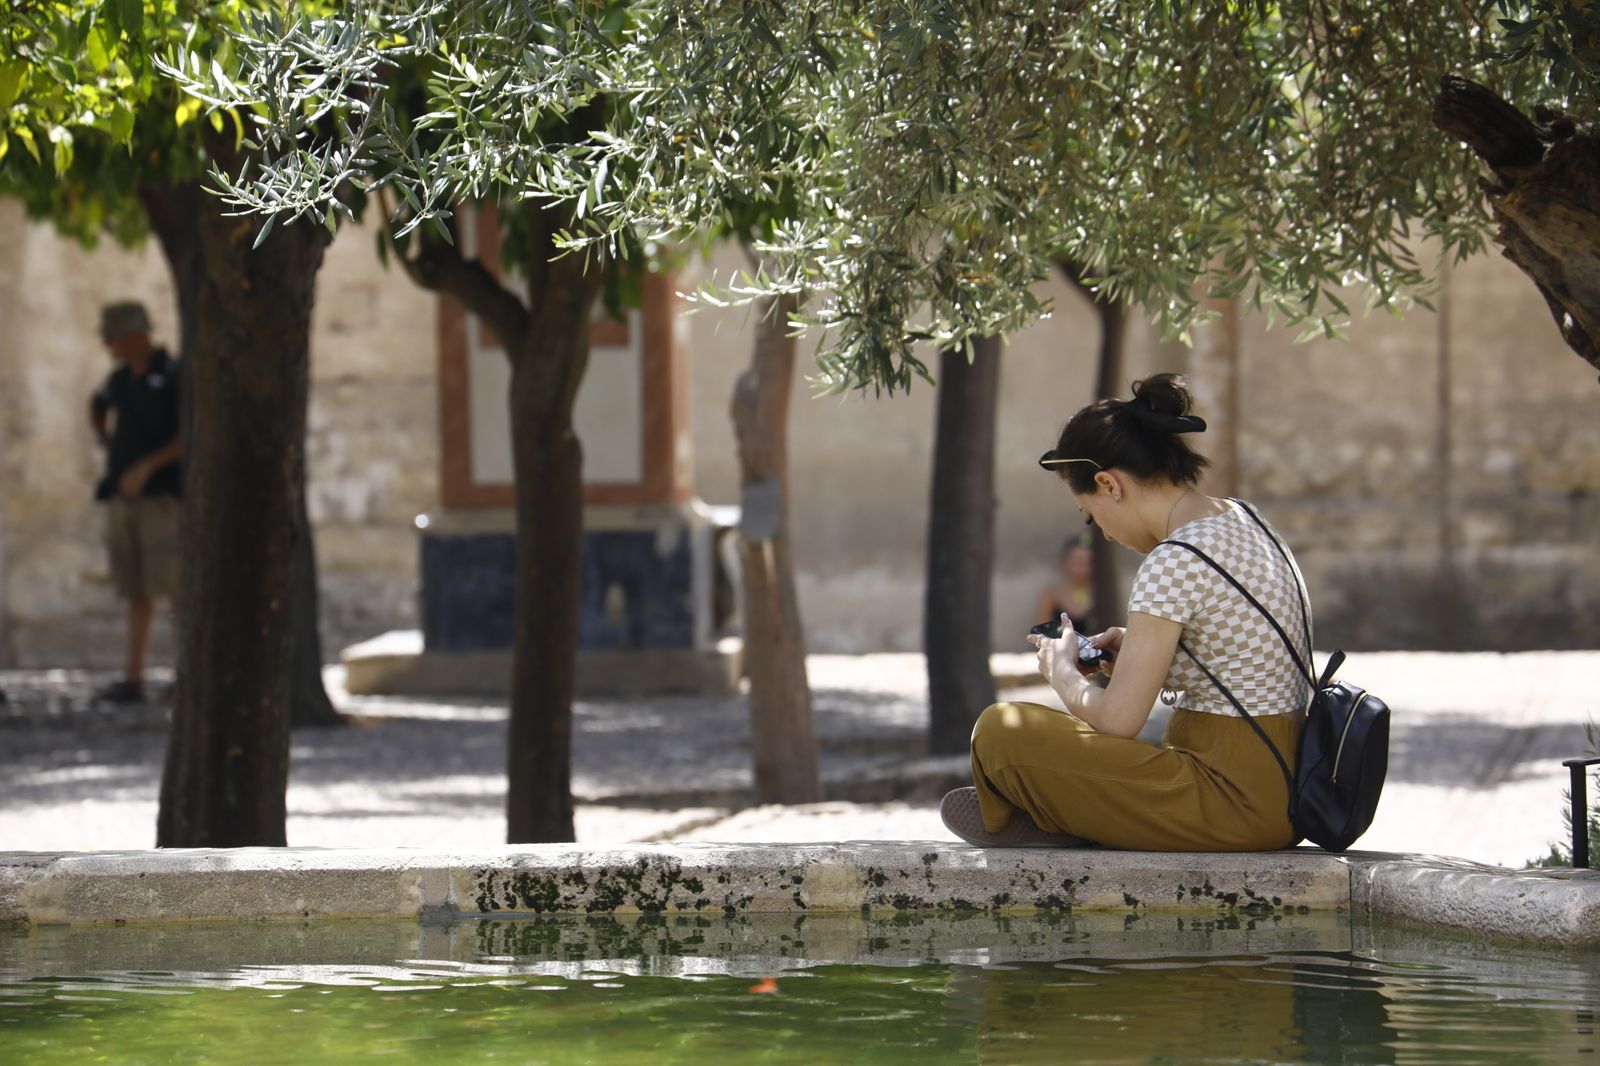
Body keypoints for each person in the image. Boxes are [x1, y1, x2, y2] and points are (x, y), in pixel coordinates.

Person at [940, 373, 1311, 851]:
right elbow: (1243, 658)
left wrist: (1061, 671)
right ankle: (1080, 814)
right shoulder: (1245, 519)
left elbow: (1117, 721)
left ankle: (1059, 816)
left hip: (1230, 803)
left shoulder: (1176, 558)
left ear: (1108, 484)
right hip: (1286, 792)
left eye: (1091, 516)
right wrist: (1144, 656)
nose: (1105, 535)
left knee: (998, 732)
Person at [89, 301, 183, 704]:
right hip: (124, 498)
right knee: (135, 589)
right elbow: (97, 406)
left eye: (114, 338)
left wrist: (146, 468)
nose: (111, 347)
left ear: (134, 336)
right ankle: (133, 678)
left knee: (177, 587)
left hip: (164, 497)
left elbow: (188, 434)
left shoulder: (173, 375)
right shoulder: (120, 380)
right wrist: (108, 444)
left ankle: (188, 673)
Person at [1034, 536, 1096, 633]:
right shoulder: (1052, 596)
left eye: (1087, 561)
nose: (1082, 565)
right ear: (1065, 561)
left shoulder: (1102, 595)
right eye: (1077, 560)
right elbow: (1041, 635)